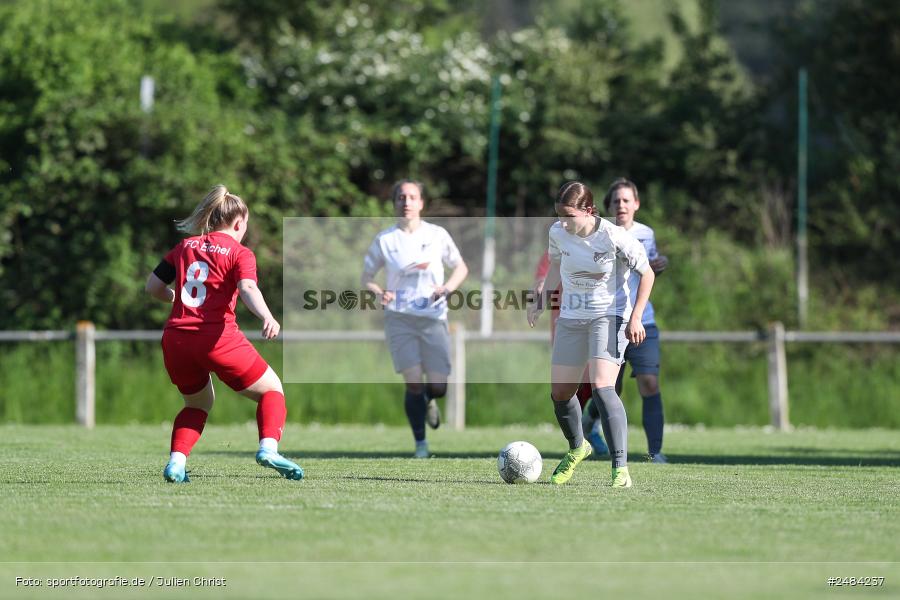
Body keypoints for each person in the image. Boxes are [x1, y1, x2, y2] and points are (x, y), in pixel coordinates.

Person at [146, 184, 303, 483]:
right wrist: (267, 316)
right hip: (216, 338)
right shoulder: (240, 252)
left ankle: (176, 463)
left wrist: (175, 299)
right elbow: (248, 288)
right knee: (272, 390)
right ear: (239, 223)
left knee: (197, 404)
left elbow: (152, 288)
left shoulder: (185, 247)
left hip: (176, 339)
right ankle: (268, 449)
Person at [527, 181, 654, 488]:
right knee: (560, 393)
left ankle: (620, 467)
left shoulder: (613, 236)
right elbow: (557, 266)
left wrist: (636, 318)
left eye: (569, 216)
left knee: (602, 386)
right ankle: (577, 447)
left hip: (609, 316)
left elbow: (647, 273)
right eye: (559, 216)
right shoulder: (558, 232)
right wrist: (542, 301)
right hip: (572, 317)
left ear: (589, 211)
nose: (563, 222)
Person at [361, 180, 469, 458]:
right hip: (399, 319)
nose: (406, 202)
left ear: (421, 203)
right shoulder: (385, 240)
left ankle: (430, 401)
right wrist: (377, 292)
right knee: (413, 383)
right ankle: (421, 444)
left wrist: (447, 289)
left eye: (412, 197)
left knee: (438, 387)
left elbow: (460, 267)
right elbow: (367, 278)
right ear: (395, 203)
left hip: (433, 318)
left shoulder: (437, 235)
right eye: (401, 197)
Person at [584, 177, 670, 463]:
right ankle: (590, 421)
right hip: (610, 320)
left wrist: (659, 266)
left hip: (643, 321)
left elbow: (649, 270)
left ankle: (654, 451)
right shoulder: (599, 234)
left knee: (649, 383)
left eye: (626, 200)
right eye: (616, 201)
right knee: (610, 388)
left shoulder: (646, 234)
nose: (621, 205)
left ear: (636, 204)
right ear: (609, 205)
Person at [532, 252, 608, 456]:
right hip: (565, 320)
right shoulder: (557, 245)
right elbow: (543, 275)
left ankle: (588, 425)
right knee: (571, 383)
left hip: (599, 320)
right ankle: (579, 438)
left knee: (607, 385)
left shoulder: (602, 242)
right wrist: (541, 287)